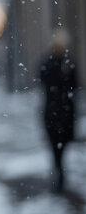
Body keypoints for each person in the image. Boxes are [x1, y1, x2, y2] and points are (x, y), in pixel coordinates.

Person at [38, 29, 79, 192]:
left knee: (58, 146)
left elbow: (74, 85)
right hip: (58, 111)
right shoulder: (58, 63)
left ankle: (58, 171)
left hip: (60, 112)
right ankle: (59, 172)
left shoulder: (63, 63)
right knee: (57, 146)